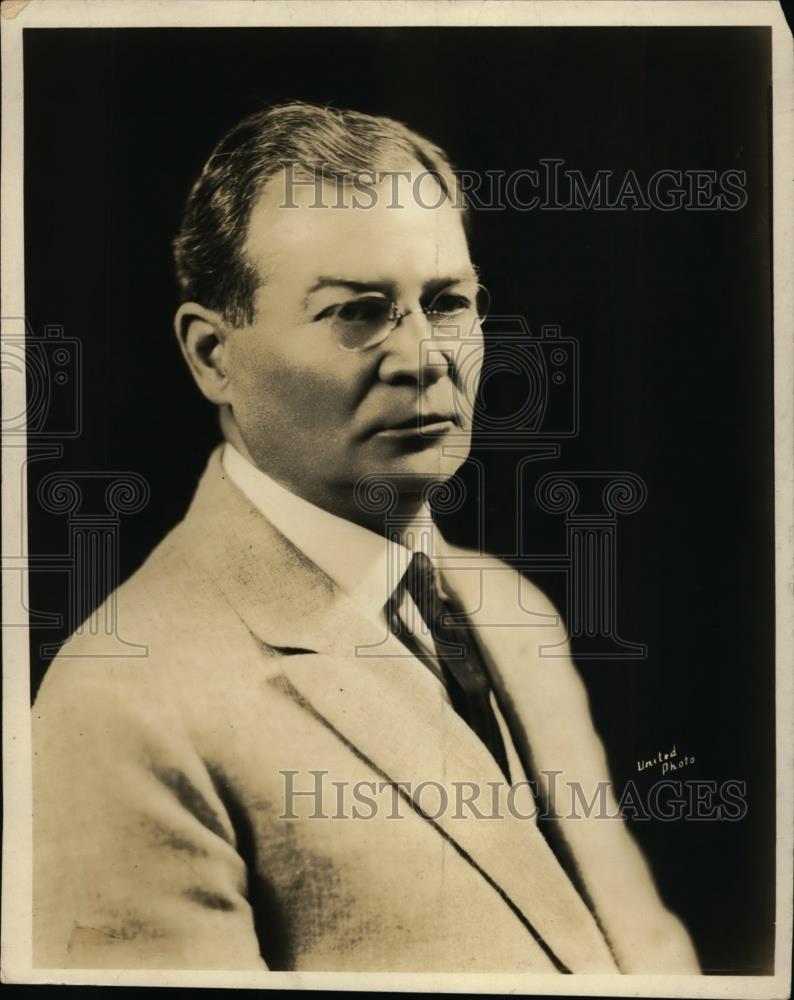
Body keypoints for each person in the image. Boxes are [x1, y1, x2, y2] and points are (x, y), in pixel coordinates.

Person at [32, 102, 699, 974]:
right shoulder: (122, 708)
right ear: (211, 355)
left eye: (449, 303)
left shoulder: (508, 607)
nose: (425, 357)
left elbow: (642, 954)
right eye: (358, 312)